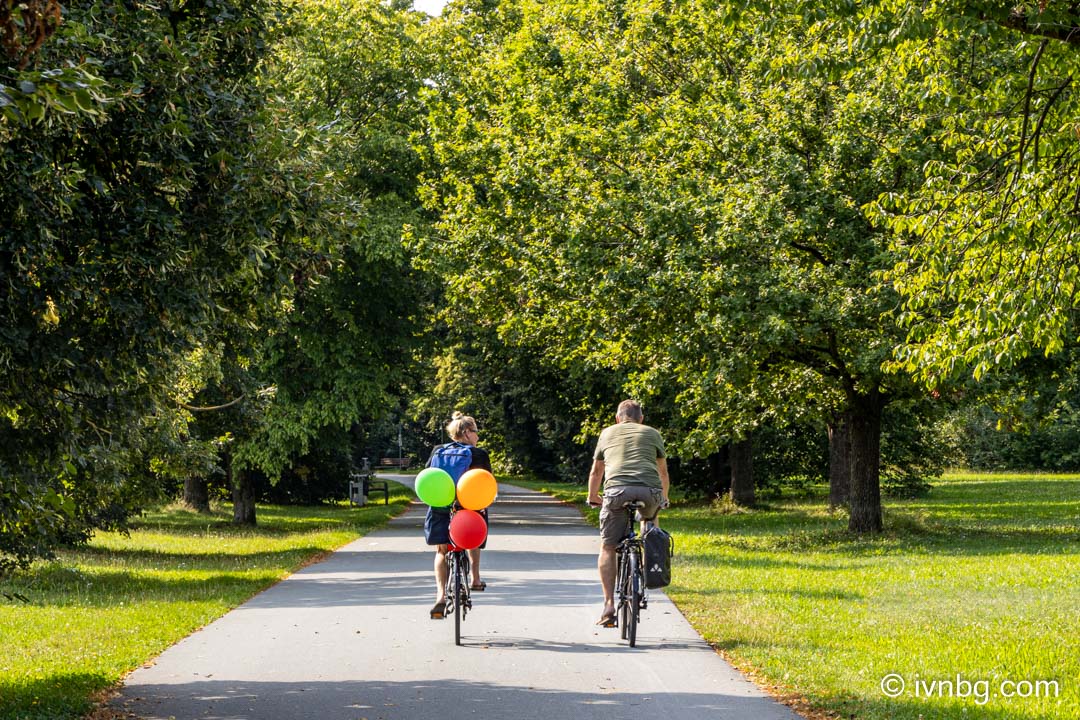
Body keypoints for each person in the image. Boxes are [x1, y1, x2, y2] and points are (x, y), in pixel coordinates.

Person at [587, 399, 670, 627]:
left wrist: (593, 496)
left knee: (608, 546)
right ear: (641, 419)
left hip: (616, 492)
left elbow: (596, 472)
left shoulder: (607, 433)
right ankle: (647, 564)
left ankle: (608, 605)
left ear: (617, 418)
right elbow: (662, 473)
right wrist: (663, 499)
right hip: (649, 491)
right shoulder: (652, 433)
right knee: (651, 521)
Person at [426, 412, 491, 619]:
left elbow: (429, 477)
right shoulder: (479, 454)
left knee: (442, 551)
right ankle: (475, 578)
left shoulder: (438, 450)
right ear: (466, 432)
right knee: (475, 526)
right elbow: (486, 482)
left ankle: (441, 595)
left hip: (441, 505)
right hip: (468, 507)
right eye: (476, 432)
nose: (477, 437)